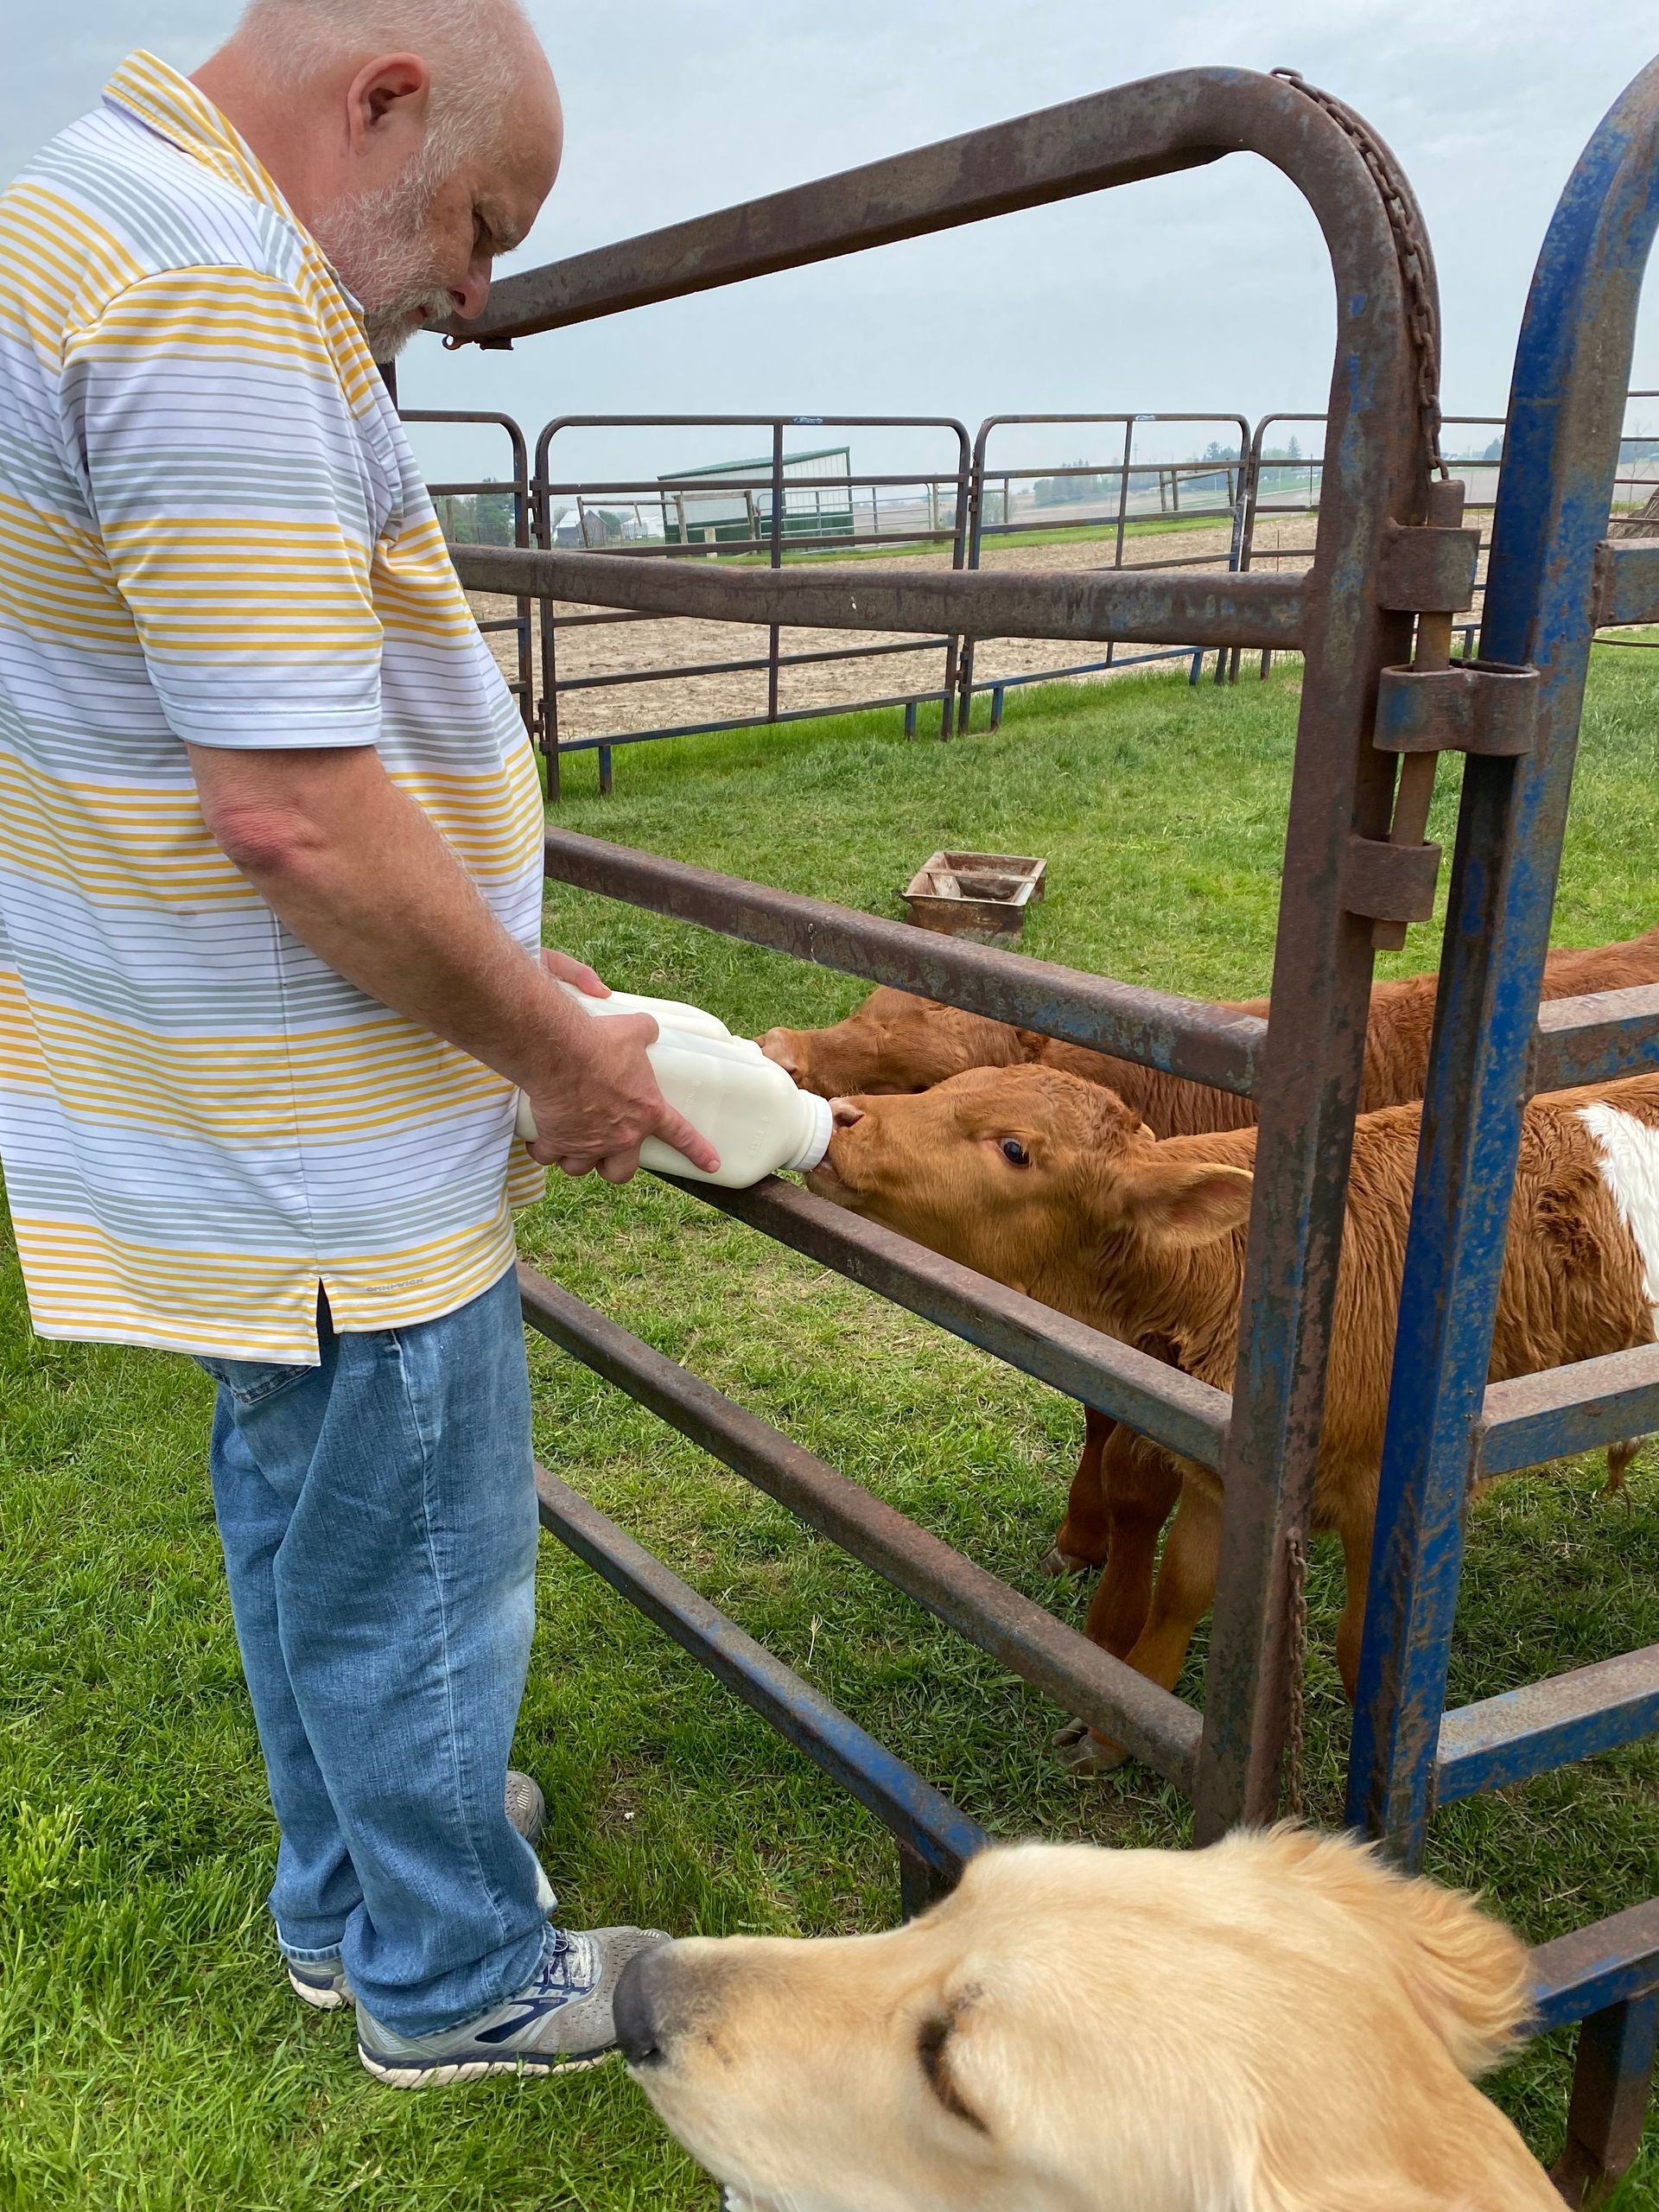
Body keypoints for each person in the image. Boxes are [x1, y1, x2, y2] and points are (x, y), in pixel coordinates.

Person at [0, 0, 718, 2086]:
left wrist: (506, 975)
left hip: (220, 1080)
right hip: (325, 1106)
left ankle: (354, 1882)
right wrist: (546, 1051)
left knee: (305, 1497)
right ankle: (453, 1972)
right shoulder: (209, 288)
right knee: (420, 1539)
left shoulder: (85, 214)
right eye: (479, 226)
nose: (480, 294)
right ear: (381, 97)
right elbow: (296, 808)